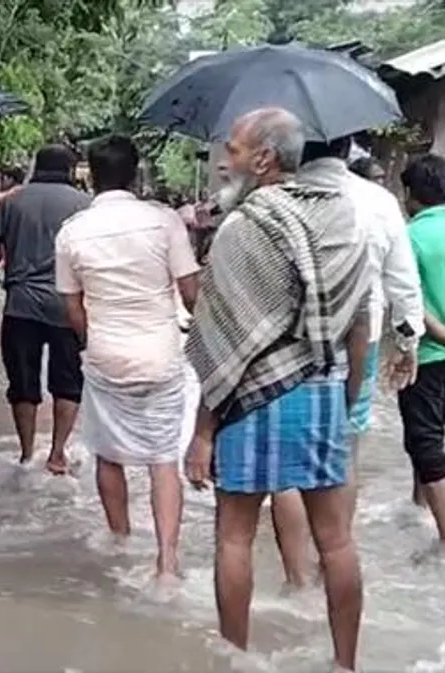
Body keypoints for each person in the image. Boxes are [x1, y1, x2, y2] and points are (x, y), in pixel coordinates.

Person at [184, 108, 371, 673]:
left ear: (263, 159)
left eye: (234, 150)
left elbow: (222, 340)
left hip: (249, 399)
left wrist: (201, 432)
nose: (223, 160)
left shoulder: (243, 229)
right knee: (335, 540)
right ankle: (345, 664)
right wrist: (343, 397)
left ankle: (234, 660)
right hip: (319, 390)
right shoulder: (344, 220)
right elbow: (359, 326)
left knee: (234, 537)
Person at [267, 136, 427, 589]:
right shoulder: (378, 201)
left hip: (286, 344)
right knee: (344, 451)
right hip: (362, 340)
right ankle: (332, 555)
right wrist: (409, 340)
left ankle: (296, 578)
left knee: (285, 460)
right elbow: (402, 280)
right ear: (346, 151)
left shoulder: (276, 199)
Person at [54, 136, 200, 580]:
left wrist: (92, 340)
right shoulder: (164, 222)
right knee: (163, 459)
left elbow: (72, 307)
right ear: (135, 174)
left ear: (91, 176)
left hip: (105, 354)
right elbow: (192, 293)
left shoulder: (73, 231)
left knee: (107, 452)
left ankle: (118, 540)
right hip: (159, 353)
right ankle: (167, 562)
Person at [0, 144, 90, 474]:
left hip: (21, 305)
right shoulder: (85, 206)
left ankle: (27, 452)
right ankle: (58, 453)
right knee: (68, 381)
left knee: (23, 383)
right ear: (69, 170)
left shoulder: (11, 202)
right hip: (67, 307)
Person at [398, 153, 445, 553]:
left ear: (412, 195)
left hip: (430, 354)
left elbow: (408, 301)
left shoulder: (410, 236)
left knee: (425, 439)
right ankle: (417, 506)